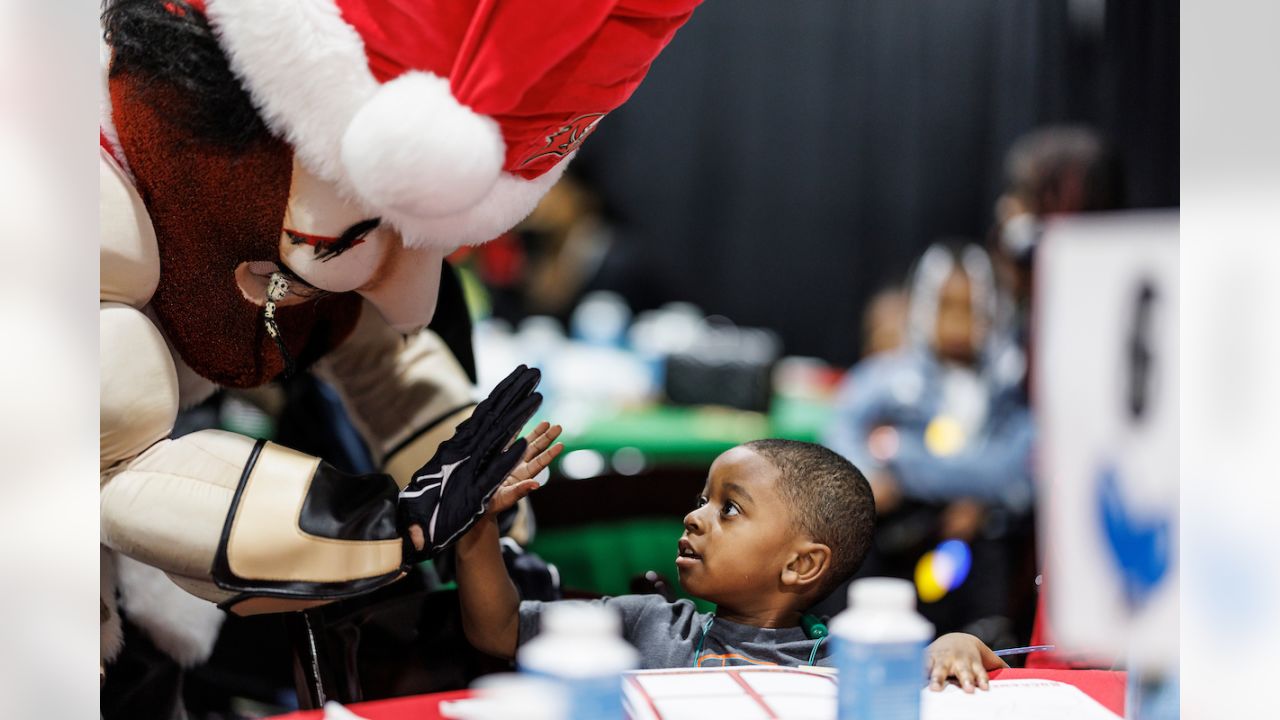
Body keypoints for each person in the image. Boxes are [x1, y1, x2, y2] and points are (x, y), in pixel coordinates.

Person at [98, 0, 703, 699]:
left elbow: (388, 365)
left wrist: (483, 512)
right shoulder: (88, 197)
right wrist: (401, 526)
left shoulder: (318, 231)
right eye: (361, 234)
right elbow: (125, 467)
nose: (405, 283)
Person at [457, 433, 1008, 691]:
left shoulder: (851, 660)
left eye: (729, 508)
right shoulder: (645, 624)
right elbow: (499, 628)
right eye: (702, 501)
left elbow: (959, 660)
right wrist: (478, 523)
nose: (695, 518)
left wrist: (951, 644)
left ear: (801, 565)